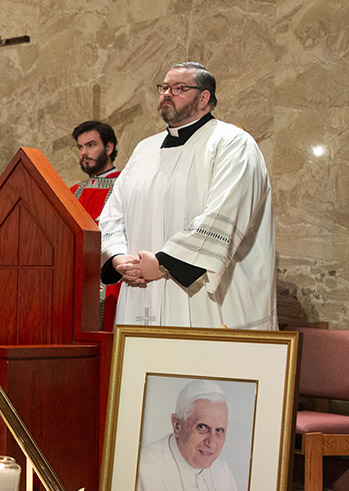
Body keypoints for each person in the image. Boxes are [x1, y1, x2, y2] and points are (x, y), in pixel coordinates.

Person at [99, 62, 277, 330]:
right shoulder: (144, 149)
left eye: (179, 88)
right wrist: (117, 257)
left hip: (202, 300)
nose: (168, 94)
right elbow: (113, 214)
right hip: (139, 294)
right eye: (165, 87)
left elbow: (225, 213)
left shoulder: (232, 143)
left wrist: (163, 263)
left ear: (204, 98)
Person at [136, 380, 244, 491]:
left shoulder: (223, 473)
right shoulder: (144, 471)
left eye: (219, 430)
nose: (211, 442)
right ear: (177, 425)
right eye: (202, 427)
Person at [70, 121, 121, 331]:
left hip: (113, 278)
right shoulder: (72, 192)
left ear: (108, 148)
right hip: (77, 280)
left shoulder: (125, 184)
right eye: (80, 147)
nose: (84, 152)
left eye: (91, 145)